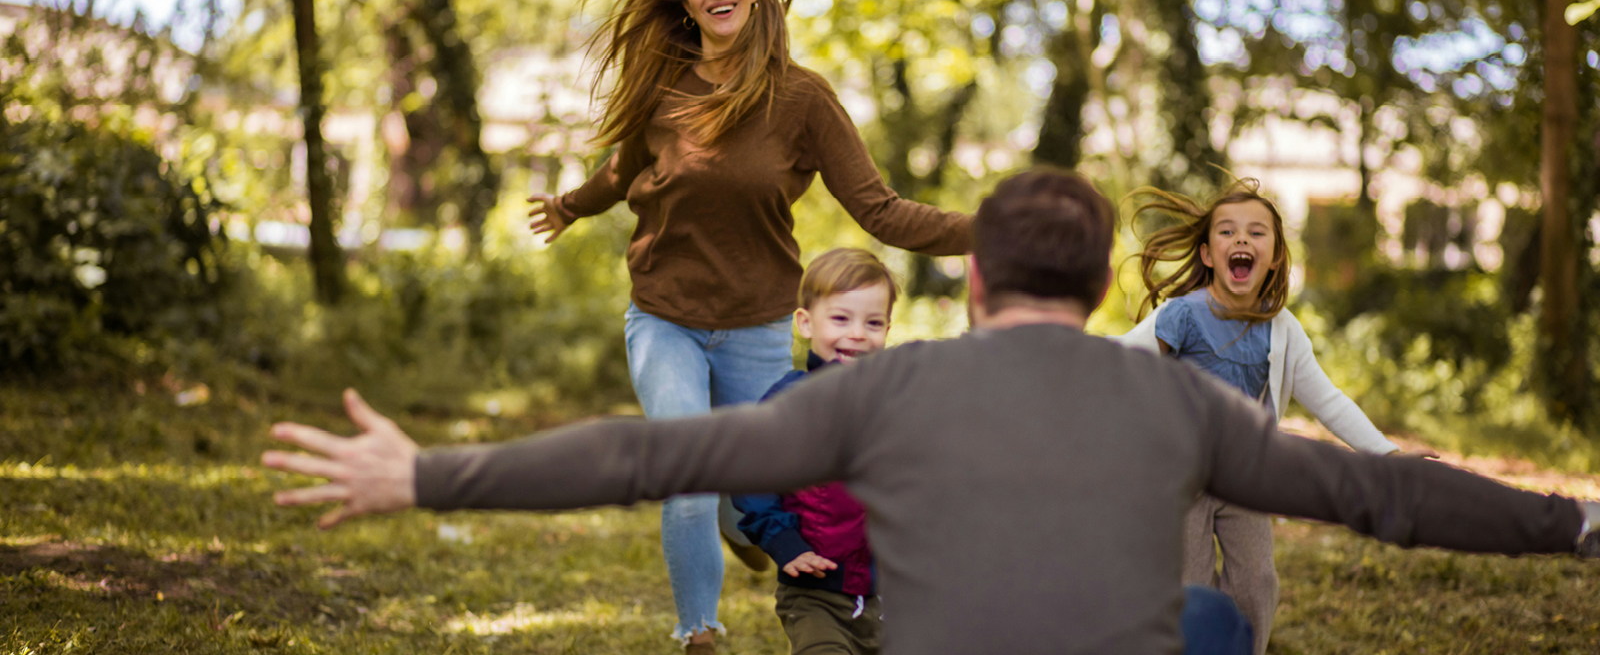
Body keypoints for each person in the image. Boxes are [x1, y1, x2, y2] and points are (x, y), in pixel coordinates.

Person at [264, 169, 1599, 655]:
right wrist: (1574, 523)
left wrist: (429, 473)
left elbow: (649, 453)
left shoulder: (883, 388)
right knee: (1208, 621)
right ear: (1094, 284)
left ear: (974, 277)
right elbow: (1391, 494)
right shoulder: (1170, 398)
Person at [524, 0, 971, 651]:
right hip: (663, 316)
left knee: (764, 486)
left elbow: (881, 211)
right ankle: (698, 631)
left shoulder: (802, 98)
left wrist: (989, 231)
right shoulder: (661, 87)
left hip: (759, 323)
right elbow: (620, 170)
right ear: (688, 2)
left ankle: (743, 523)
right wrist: (571, 205)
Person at [1111, 179, 1432, 654]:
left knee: (1257, 585)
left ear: (1277, 256)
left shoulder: (1282, 329)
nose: (1242, 240)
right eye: (1228, 232)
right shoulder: (1180, 317)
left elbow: (1329, 400)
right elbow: (1114, 364)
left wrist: (1387, 454)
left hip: (1244, 478)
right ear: (1205, 255)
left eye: (1257, 233)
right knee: (1188, 589)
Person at [732, 248, 897, 655]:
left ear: (888, 328)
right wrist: (785, 542)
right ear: (806, 323)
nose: (857, 333)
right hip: (815, 592)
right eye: (841, 318)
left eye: (873, 322)